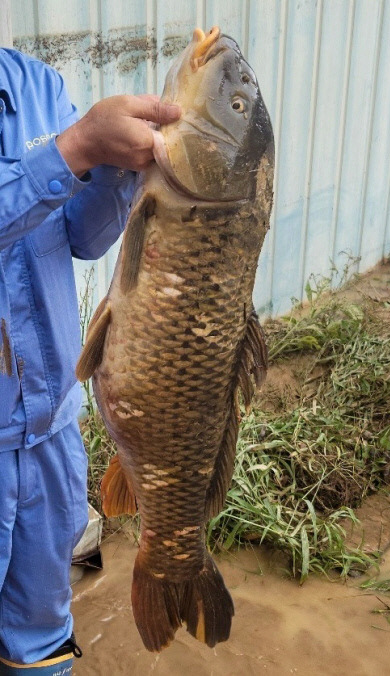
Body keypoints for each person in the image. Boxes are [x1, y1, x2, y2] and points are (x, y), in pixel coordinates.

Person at [0, 47, 180, 675]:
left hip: (50, 432)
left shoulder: (33, 81)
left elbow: (80, 235)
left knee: (42, 631)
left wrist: (112, 170)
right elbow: (61, 159)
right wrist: (74, 147)